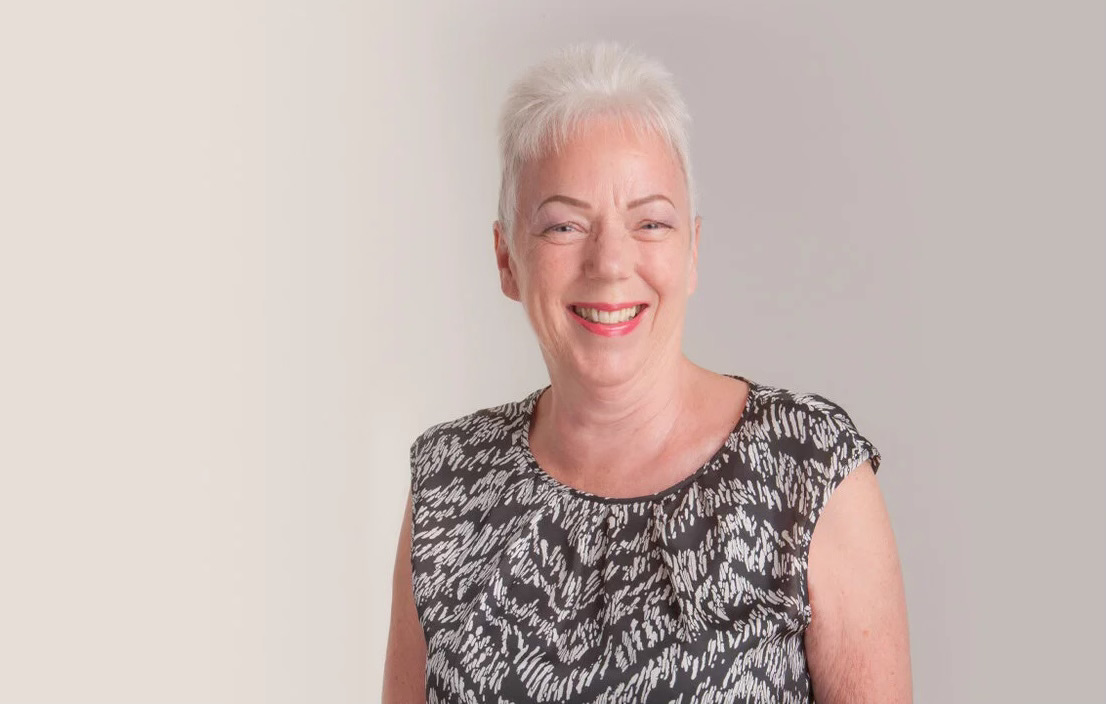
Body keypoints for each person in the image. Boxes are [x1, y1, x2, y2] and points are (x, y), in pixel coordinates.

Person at [384, 42, 911, 703]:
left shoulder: (808, 472)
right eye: (564, 226)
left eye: (651, 222)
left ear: (692, 252)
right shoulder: (447, 482)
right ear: (506, 259)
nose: (610, 262)